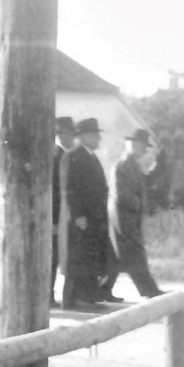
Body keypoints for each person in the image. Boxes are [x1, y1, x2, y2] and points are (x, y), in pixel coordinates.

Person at [101, 128, 162, 299]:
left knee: (117, 256)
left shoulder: (132, 165)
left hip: (128, 216)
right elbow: (122, 195)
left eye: (143, 146)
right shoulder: (122, 166)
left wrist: (160, 163)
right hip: (122, 217)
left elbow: (145, 181)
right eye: (141, 145)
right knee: (135, 253)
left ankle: (103, 290)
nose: (143, 150)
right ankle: (149, 291)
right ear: (132, 145)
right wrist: (141, 205)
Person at [61, 118, 110, 310]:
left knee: (89, 257)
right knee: (79, 258)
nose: (98, 138)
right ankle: (75, 299)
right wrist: (77, 215)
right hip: (82, 218)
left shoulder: (90, 156)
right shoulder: (74, 156)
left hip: (94, 216)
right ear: (83, 136)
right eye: (95, 134)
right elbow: (70, 188)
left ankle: (86, 297)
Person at [51, 116, 77, 306]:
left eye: (67, 132)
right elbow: (53, 190)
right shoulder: (55, 155)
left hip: (67, 214)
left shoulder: (70, 154)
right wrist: (53, 220)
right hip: (56, 215)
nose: (63, 136)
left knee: (64, 255)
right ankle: (47, 294)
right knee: (52, 257)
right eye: (60, 132)